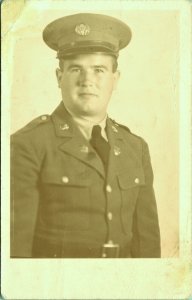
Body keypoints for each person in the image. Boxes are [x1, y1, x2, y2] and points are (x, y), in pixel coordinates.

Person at [10, 13, 161, 258]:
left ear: (115, 79)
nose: (87, 80)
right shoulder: (28, 145)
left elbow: (148, 245)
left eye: (99, 69)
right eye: (75, 69)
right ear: (59, 78)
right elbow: (15, 252)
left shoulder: (136, 147)